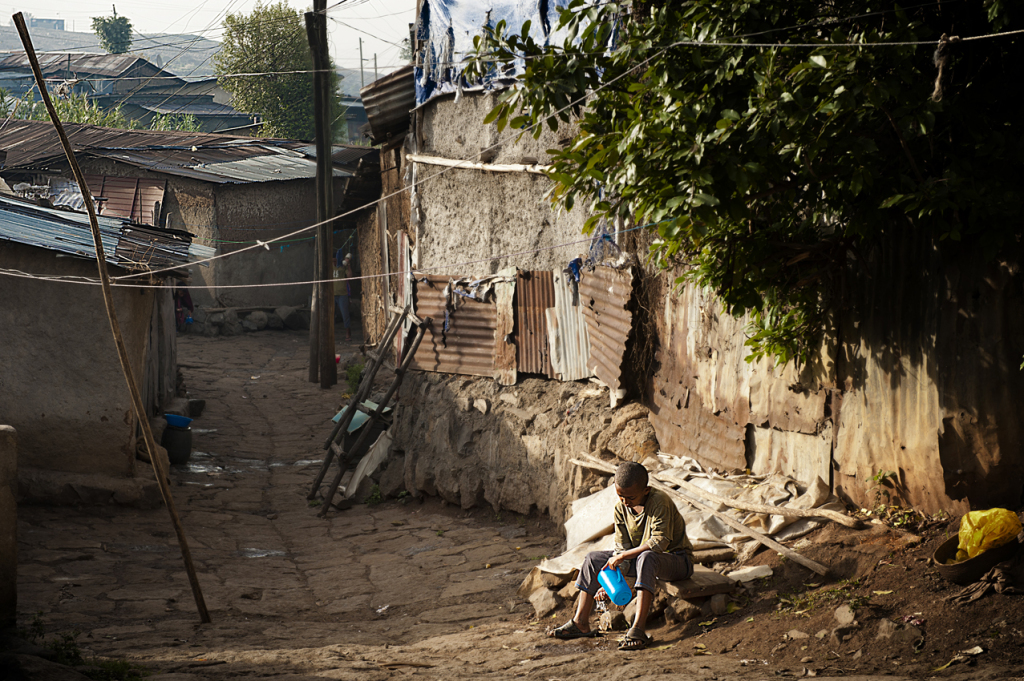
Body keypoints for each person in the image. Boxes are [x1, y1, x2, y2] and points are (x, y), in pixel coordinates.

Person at [548, 461, 694, 651]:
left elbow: (660, 543)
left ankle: (638, 629)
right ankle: (580, 622)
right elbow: (621, 548)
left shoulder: (660, 501)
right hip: (642, 559)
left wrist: (624, 556)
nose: (625, 501)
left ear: (646, 490)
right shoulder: (620, 509)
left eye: (630, 497)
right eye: (620, 496)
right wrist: (612, 581)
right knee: (593, 559)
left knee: (647, 557)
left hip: (676, 561)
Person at [333, 251, 353, 341]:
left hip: (342, 294)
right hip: (331, 294)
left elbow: (349, 276)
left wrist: (348, 265)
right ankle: (330, 333)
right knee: (330, 315)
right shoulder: (329, 267)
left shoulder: (343, 265)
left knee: (345, 315)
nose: (335, 261)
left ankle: (348, 333)